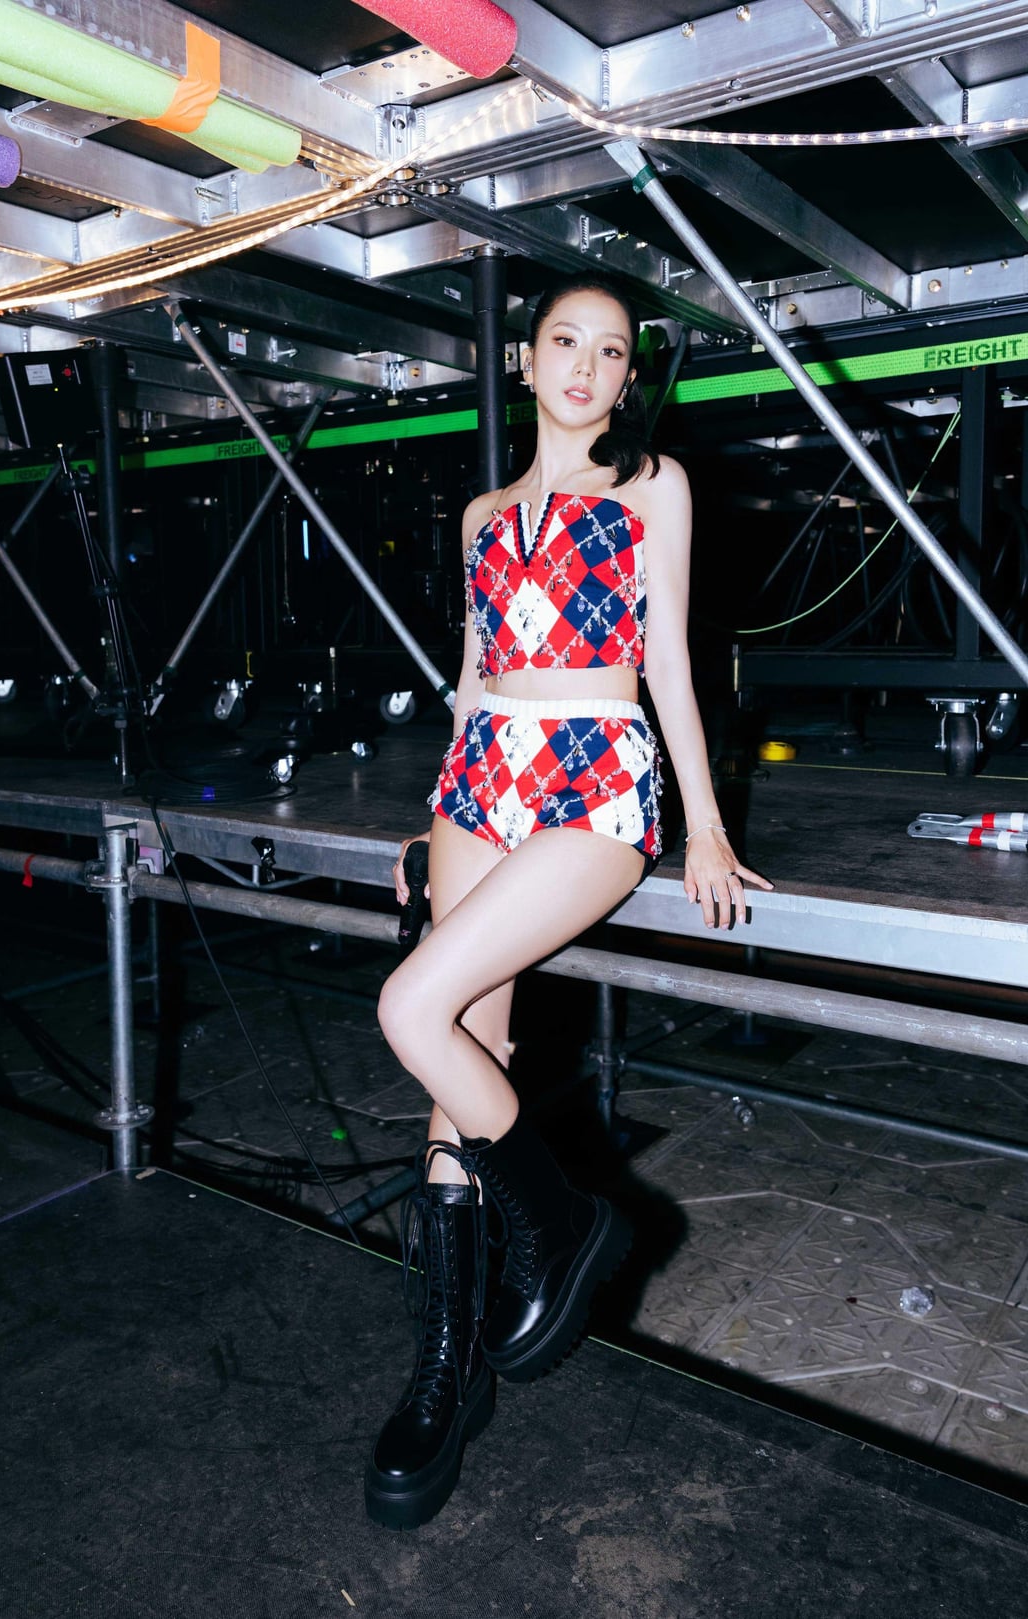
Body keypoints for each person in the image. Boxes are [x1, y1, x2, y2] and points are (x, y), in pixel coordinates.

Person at [364, 272, 773, 1530]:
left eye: (611, 350)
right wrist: (428, 813)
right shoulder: (483, 513)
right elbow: (473, 678)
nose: (588, 366)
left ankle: (562, 1220)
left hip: (593, 772)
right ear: (526, 360)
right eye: (565, 342)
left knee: (411, 1008)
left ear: (627, 375)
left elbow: (669, 663)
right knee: (458, 1065)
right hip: (478, 779)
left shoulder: (651, 485)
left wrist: (706, 822)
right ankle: (448, 1369)